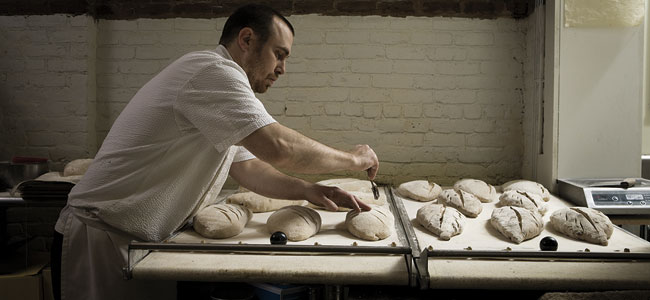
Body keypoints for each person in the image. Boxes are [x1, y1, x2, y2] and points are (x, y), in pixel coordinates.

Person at [51, 3, 378, 300]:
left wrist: (308, 190)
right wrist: (353, 159)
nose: (282, 69)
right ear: (247, 39)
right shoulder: (212, 72)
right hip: (99, 241)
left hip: (135, 241)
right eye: (279, 54)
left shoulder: (218, 89)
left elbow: (249, 169)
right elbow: (278, 147)